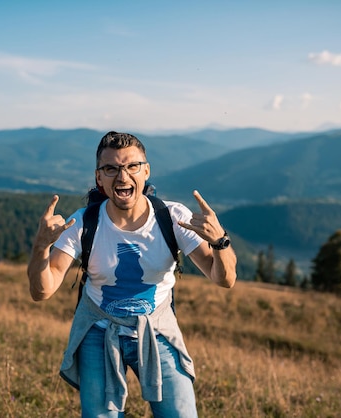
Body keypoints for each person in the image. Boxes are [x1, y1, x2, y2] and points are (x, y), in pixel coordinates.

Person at [27, 131, 237, 417]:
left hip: (157, 328)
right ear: (99, 178)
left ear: (146, 171)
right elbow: (43, 291)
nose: (122, 177)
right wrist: (41, 246)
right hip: (98, 330)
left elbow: (224, 279)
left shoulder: (172, 218)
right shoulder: (82, 223)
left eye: (132, 166)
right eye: (111, 169)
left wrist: (220, 241)